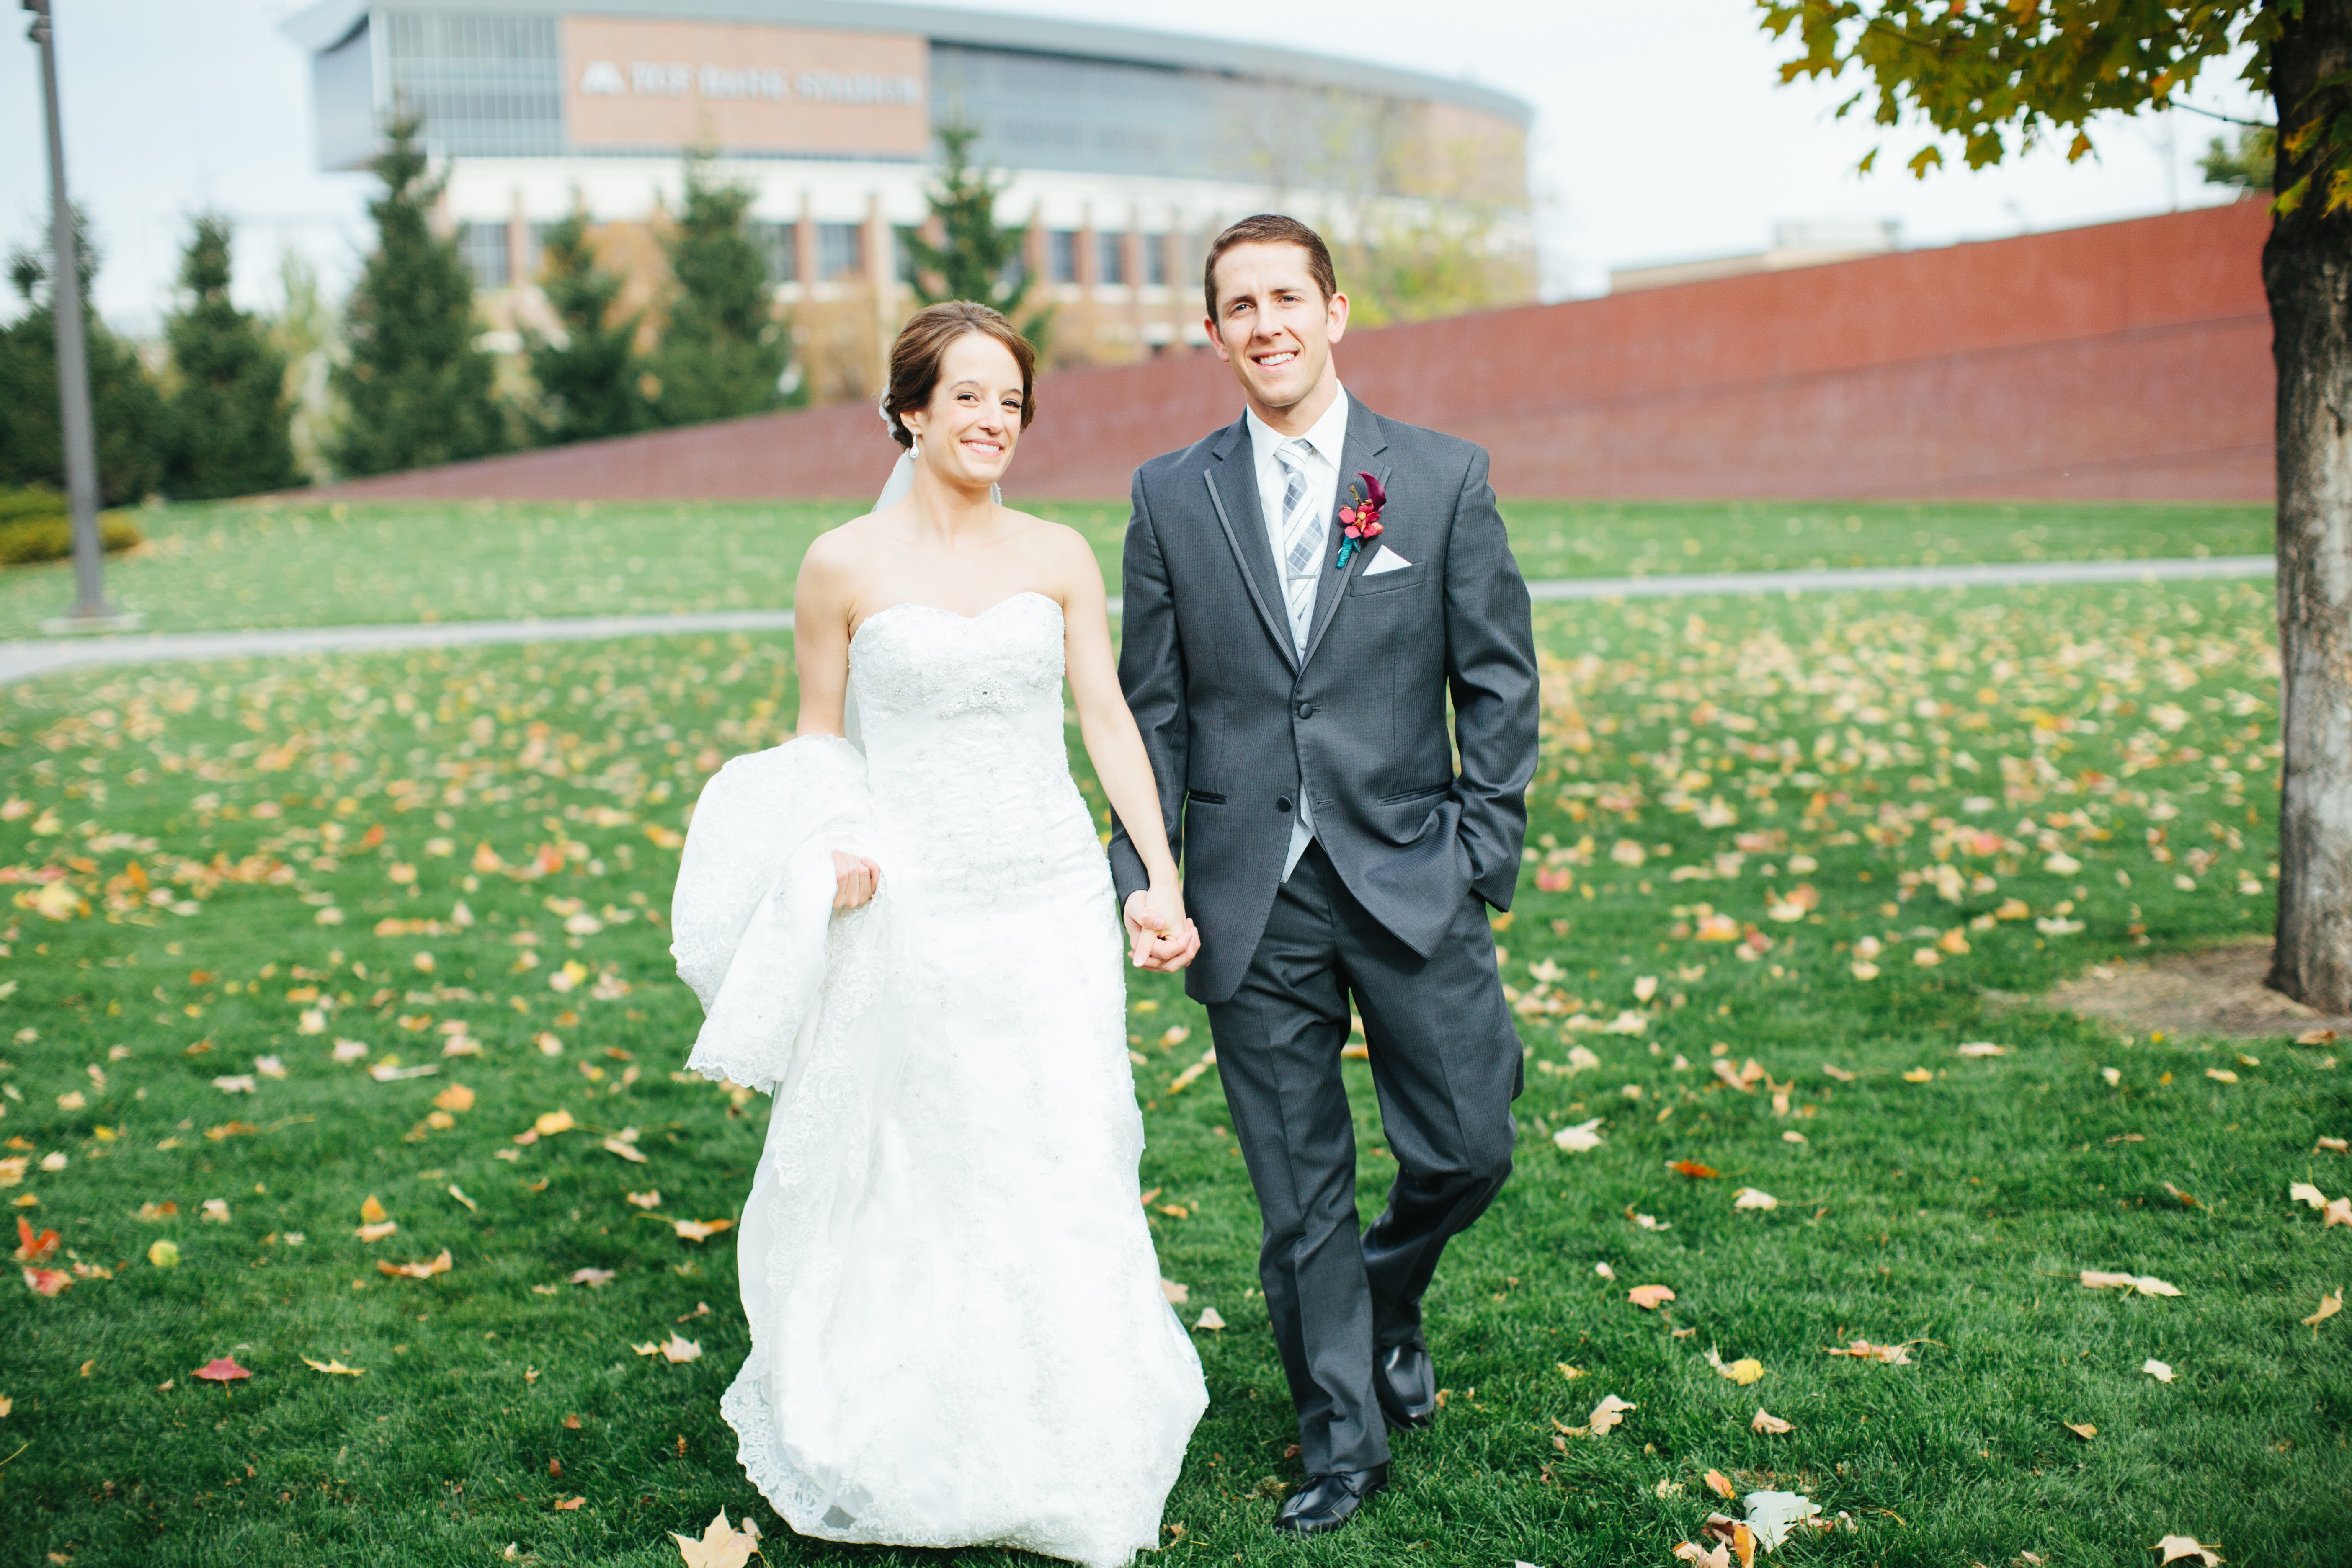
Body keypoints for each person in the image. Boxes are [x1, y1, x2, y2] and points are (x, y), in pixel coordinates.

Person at [670, 300, 1206, 1568]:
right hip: (912, 906)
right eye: (968, 397)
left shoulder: (1061, 554)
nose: (992, 423)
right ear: (909, 410)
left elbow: (1110, 724)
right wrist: (834, 850)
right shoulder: (839, 566)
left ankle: (1074, 1416)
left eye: (1012, 402)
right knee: (921, 1155)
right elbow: (818, 739)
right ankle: (912, 1406)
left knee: (1060, 1145)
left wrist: (1158, 878)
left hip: (1045, 902)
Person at [1107, 215, 1540, 1535]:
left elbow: (1500, 680)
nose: (1266, 324)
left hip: (1413, 873)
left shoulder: (1442, 478)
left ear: (1336, 313)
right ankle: (1343, 1441)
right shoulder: (1168, 496)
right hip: (1249, 892)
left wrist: (1481, 845)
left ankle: (1390, 1292)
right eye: (1239, 306)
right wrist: (1149, 871)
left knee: (1470, 1146)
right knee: (1301, 1195)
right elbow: (1151, 713)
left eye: (1287, 298)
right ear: (1215, 332)